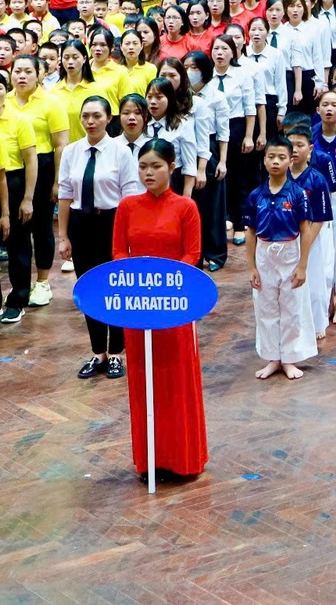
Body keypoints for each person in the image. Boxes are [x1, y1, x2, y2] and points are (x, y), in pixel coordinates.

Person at [112, 138, 206, 478]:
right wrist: (139, 282)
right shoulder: (127, 206)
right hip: (138, 307)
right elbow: (119, 252)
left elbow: (192, 254)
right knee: (143, 381)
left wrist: (167, 286)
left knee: (175, 380)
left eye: (156, 166)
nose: (148, 173)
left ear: (172, 167)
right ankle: (150, 460)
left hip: (175, 306)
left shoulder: (185, 207)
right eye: (143, 167)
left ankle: (182, 459)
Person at [56, 96, 141, 379]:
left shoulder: (120, 152)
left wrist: (129, 236)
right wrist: (63, 236)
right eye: (85, 116)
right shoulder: (71, 151)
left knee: (115, 289)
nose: (90, 122)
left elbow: (130, 195)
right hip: (81, 225)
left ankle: (116, 351)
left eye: (96, 116)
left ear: (108, 118)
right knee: (89, 289)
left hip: (112, 223)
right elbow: (66, 194)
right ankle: (98, 352)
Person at [246, 135, 317, 380]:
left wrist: (302, 265)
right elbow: (251, 231)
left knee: (291, 306)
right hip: (264, 252)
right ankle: (272, 357)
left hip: (289, 252)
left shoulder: (298, 194)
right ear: (264, 160)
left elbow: (306, 229)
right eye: (271, 157)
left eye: (282, 157)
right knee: (265, 307)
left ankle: (290, 357)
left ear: (290, 160)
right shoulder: (256, 195)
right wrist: (252, 267)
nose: (276, 161)